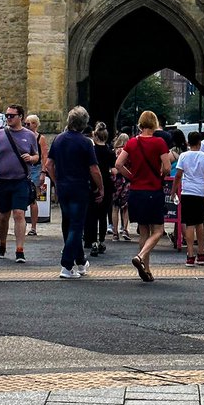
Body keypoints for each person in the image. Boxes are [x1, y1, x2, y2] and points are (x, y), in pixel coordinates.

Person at [45, 105, 103, 278]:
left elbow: (48, 165)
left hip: (63, 187)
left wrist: (56, 181)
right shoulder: (86, 142)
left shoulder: (58, 139)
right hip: (79, 187)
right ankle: (66, 265)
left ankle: (81, 262)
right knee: (77, 226)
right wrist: (101, 187)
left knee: (68, 223)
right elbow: (94, 169)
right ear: (84, 124)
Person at [115, 110, 170, 281]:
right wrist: (160, 172)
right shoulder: (159, 142)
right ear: (154, 124)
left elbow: (118, 163)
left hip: (136, 192)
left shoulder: (132, 143)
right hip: (153, 191)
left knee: (144, 231)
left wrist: (131, 176)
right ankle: (140, 257)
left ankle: (146, 270)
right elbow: (167, 168)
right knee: (159, 230)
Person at [0, 104, 38, 263]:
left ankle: (19, 250)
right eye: (7, 115)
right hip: (2, 180)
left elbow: (37, 156)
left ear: (21, 117)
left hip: (20, 180)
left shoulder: (29, 135)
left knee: (19, 213)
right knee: (3, 216)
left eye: (12, 115)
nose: (8, 118)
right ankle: (2, 245)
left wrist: (31, 159)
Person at [173, 131, 204, 265]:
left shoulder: (183, 156)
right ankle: (201, 253)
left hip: (187, 192)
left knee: (189, 224)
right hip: (201, 193)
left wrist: (174, 190)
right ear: (199, 143)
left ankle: (190, 254)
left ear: (188, 142)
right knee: (200, 223)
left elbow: (178, 175)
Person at [84, 124, 116, 257]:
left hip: (93, 184)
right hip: (107, 185)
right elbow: (114, 170)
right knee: (103, 215)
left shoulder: (91, 150)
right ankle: (102, 240)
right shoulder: (110, 152)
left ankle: (92, 242)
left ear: (95, 135)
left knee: (91, 215)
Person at [25, 113, 48, 236]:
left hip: (36, 168)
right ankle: (22, 224)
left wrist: (43, 172)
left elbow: (45, 156)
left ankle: (33, 227)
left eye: (30, 123)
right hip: (24, 168)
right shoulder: (23, 136)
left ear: (35, 124)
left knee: (33, 197)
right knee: (23, 197)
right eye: (26, 123)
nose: (28, 125)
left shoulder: (40, 138)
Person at [111, 132, 132, 242]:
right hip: (127, 179)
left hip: (116, 180)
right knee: (125, 207)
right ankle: (125, 229)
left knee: (115, 207)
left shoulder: (114, 151)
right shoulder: (128, 151)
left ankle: (115, 233)